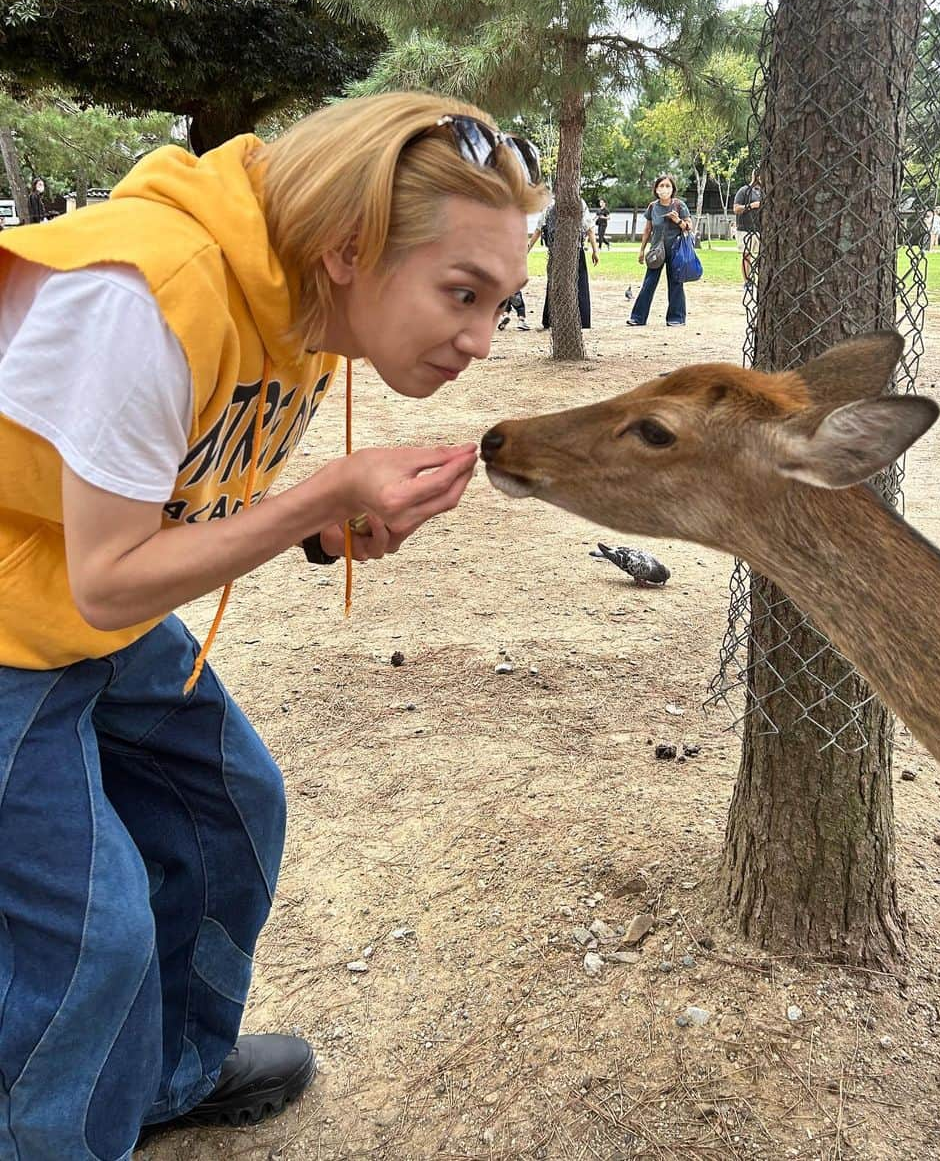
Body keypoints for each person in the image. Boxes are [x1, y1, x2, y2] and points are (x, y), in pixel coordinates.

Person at [0, 91, 544, 1159]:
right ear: (351, 247)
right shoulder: (148, 297)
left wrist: (321, 532)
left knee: (229, 809)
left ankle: (162, 1077)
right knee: (87, 940)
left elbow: (179, 497)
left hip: (69, 599)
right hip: (23, 624)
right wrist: (317, 495)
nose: (481, 340)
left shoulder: (303, 308)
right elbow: (112, 579)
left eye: (502, 303)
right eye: (462, 293)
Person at [628, 175, 693, 327]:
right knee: (648, 283)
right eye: (661, 186)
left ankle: (676, 318)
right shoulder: (652, 207)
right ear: (656, 189)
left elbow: (689, 226)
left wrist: (678, 221)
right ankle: (638, 317)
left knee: (676, 283)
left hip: (676, 250)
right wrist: (642, 250)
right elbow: (647, 229)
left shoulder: (679, 205)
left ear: (673, 189)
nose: (664, 189)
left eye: (667, 186)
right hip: (656, 250)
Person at [530, 195, 599, 330]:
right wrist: (595, 250)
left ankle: (551, 319)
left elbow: (539, 229)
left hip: (563, 251)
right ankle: (581, 320)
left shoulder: (559, 204)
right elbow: (589, 228)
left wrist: (595, 250)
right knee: (576, 285)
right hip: (569, 251)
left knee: (558, 285)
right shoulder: (564, 204)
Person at [733, 172, 763, 281]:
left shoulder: (764, 192)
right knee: (747, 256)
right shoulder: (744, 191)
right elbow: (736, 209)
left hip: (759, 229)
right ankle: (747, 281)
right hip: (745, 229)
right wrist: (751, 206)